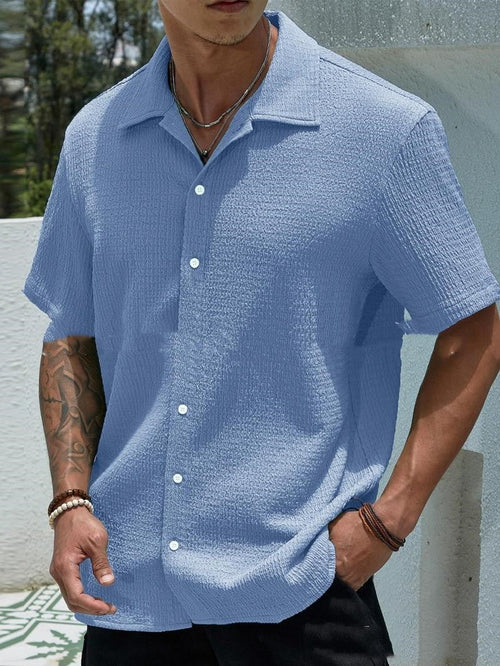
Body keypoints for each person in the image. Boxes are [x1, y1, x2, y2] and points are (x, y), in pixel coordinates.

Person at [22, 1, 500, 664]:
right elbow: (73, 336)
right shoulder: (95, 139)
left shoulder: (382, 129)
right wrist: (70, 502)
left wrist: (389, 520)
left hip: (301, 593)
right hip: (129, 596)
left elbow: (473, 330)